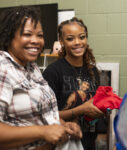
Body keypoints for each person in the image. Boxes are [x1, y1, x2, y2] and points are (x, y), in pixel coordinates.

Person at [0, 6, 82, 150]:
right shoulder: (4, 69)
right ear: (9, 36)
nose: (36, 41)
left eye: (40, 35)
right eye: (27, 34)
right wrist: (42, 132)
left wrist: (63, 124)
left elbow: (40, 115)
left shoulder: (31, 67)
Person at [43, 17, 105, 150]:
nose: (77, 42)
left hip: (89, 141)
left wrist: (104, 108)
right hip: (64, 143)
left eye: (81, 37)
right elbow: (47, 116)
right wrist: (81, 110)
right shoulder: (53, 72)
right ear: (62, 41)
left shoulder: (92, 70)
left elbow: (95, 104)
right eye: (70, 39)